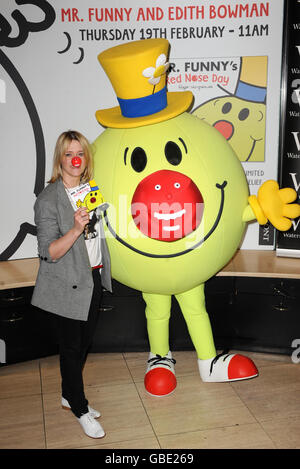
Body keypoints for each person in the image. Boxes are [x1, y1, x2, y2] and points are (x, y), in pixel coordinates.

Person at [31, 130, 112, 439]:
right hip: (66, 282)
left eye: (80, 153)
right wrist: (77, 228)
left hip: (92, 276)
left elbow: (96, 236)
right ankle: (78, 406)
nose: (75, 159)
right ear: (61, 159)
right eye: (69, 154)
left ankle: (69, 393)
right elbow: (48, 252)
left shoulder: (90, 190)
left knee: (85, 342)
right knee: (71, 348)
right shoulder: (48, 199)